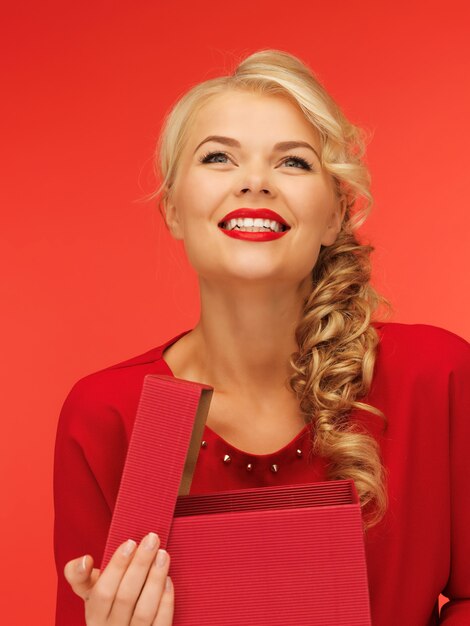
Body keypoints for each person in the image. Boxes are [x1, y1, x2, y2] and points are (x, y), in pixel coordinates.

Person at [53, 49, 470, 625]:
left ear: (333, 216)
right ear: (172, 208)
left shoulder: (435, 376)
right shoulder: (112, 416)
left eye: (293, 163)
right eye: (219, 157)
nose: (255, 182)